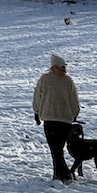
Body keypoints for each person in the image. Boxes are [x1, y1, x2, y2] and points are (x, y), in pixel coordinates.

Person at [31, 53, 79, 183]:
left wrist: (36, 112)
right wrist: (75, 113)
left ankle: (64, 174)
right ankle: (58, 174)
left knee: (55, 149)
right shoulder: (68, 80)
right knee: (59, 148)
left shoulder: (44, 79)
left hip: (50, 118)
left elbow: (37, 97)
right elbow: (74, 99)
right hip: (65, 119)